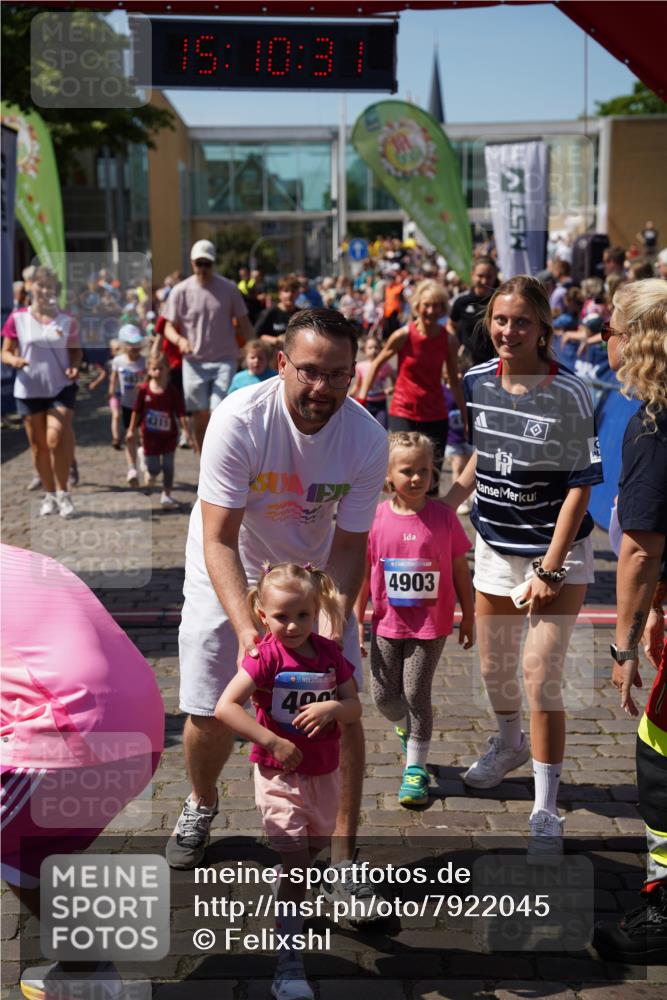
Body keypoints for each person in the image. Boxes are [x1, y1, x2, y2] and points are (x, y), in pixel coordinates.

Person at [168, 308, 388, 918]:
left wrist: (334, 620)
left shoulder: (367, 438)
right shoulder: (239, 419)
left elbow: (350, 546)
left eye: (338, 375)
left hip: (312, 575)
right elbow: (219, 538)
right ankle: (202, 801)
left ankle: (342, 860)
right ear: (282, 363)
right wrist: (249, 631)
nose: (323, 388)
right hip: (230, 563)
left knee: (345, 702)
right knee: (209, 705)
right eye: (310, 371)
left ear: (354, 372)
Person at [444, 275, 603, 859]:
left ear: (542, 328)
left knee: (539, 675)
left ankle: (545, 807)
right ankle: (509, 743)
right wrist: (442, 510)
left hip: (556, 552)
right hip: (494, 543)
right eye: (501, 320)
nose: (509, 331)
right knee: (494, 668)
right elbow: (483, 454)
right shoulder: (475, 380)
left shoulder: (571, 391)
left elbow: (580, 486)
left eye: (522, 322)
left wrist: (551, 568)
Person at [1, 543, 164, 999]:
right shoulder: (21, 558)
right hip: (140, 734)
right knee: (24, 853)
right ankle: (86, 972)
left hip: (73, 738)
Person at [216, 563, 361, 1000]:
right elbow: (226, 706)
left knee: (314, 847)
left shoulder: (330, 654)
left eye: (303, 615)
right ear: (263, 615)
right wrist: (271, 741)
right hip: (278, 775)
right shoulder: (265, 657)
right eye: (282, 616)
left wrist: (333, 709)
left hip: (324, 772)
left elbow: (354, 706)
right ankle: (289, 963)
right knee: (298, 865)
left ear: (316, 611)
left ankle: (286, 879)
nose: (293, 625)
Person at [593, 279, 667, 963]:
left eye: (611, 329)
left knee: (659, 754)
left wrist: (622, 647)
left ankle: (663, 909)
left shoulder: (652, 423)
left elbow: (640, 549)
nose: (603, 341)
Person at [354, 432, 474, 807]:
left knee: (416, 692)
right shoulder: (375, 519)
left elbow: (460, 571)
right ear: (388, 475)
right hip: (386, 623)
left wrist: (469, 616)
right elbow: (363, 573)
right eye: (407, 471)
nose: (417, 477)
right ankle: (407, 729)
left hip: (430, 626)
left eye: (424, 469)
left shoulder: (444, 518)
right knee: (383, 695)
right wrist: (356, 619)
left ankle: (415, 770)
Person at [358, 279, 464, 493]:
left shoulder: (449, 340)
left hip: (435, 413)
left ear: (444, 308)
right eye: (427, 305)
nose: (432, 311)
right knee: (403, 473)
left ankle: (430, 515)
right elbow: (376, 364)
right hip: (404, 410)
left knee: (431, 480)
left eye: (437, 306)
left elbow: (453, 380)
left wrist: (465, 413)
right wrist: (362, 398)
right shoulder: (403, 335)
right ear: (417, 306)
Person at [1, 265, 81, 519]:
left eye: (50, 286)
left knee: (55, 438)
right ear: (30, 287)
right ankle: (49, 494)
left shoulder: (67, 320)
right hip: (29, 389)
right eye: (41, 285)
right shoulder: (17, 318)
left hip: (61, 388)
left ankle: (63, 493)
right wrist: (14, 361)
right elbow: (5, 352)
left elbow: (76, 352)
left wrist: (75, 366)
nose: (45, 290)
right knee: (38, 447)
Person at [163, 240, 253, 452]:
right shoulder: (180, 291)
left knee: (219, 411)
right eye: (199, 263)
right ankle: (204, 458)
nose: (203, 268)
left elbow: (244, 323)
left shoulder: (228, 289)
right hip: (194, 362)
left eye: (207, 264)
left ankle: (220, 457)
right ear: (192, 263)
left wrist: (255, 348)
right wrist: (180, 340)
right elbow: (168, 327)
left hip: (224, 360)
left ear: (213, 263)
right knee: (199, 414)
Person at [127, 349, 192, 508]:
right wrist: (131, 429)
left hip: (169, 437)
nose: (157, 372)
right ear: (148, 370)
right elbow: (136, 411)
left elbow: (181, 413)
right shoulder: (144, 390)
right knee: (154, 469)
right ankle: (143, 456)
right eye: (154, 369)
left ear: (167, 369)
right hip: (150, 437)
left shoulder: (172, 391)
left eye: (161, 368)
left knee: (168, 466)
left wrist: (186, 432)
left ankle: (166, 495)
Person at [109, 324, 146, 487]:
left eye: (137, 343)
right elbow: (114, 377)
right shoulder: (118, 361)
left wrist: (144, 385)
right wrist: (112, 392)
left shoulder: (144, 362)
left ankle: (144, 458)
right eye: (131, 344)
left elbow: (150, 379)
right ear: (123, 345)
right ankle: (132, 468)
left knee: (143, 436)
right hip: (127, 404)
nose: (135, 347)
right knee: (130, 436)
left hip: (144, 405)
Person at [448, 257, 498, 365]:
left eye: (489, 276)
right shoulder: (462, 302)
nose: (484, 281)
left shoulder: (501, 302)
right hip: (469, 364)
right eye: (480, 276)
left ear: (495, 276)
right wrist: (456, 344)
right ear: (472, 275)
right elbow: (451, 325)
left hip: (495, 364)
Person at [349, 335, 395, 428]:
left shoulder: (386, 366)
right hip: (366, 403)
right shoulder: (360, 366)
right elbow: (358, 385)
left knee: (381, 427)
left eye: (376, 347)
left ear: (381, 350)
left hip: (381, 405)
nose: (374, 350)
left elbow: (395, 382)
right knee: (364, 428)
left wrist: (391, 389)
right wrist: (350, 396)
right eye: (370, 348)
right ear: (365, 350)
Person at [254, 276, 302, 346]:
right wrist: (276, 340)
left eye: (293, 291)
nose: (290, 294)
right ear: (280, 294)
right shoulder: (269, 313)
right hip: (273, 351)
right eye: (286, 291)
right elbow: (256, 334)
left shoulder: (301, 314)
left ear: (298, 294)